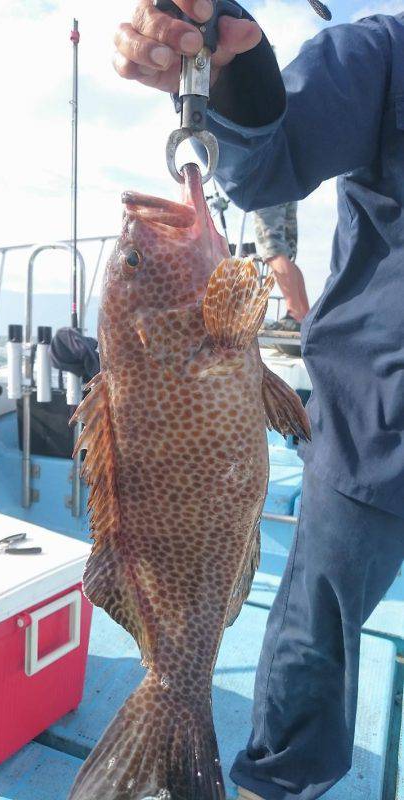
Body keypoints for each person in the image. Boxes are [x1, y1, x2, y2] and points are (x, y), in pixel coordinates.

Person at [113, 4, 404, 799]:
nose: (145, 240)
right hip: (378, 419)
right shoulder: (386, 52)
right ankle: (271, 783)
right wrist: (227, 61)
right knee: (316, 633)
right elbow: (272, 154)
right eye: (141, 262)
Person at [253, 202, 310, 331]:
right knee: (286, 256)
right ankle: (307, 318)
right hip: (287, 188)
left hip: (267, 192)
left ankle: (294, 314)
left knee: (273, 250)